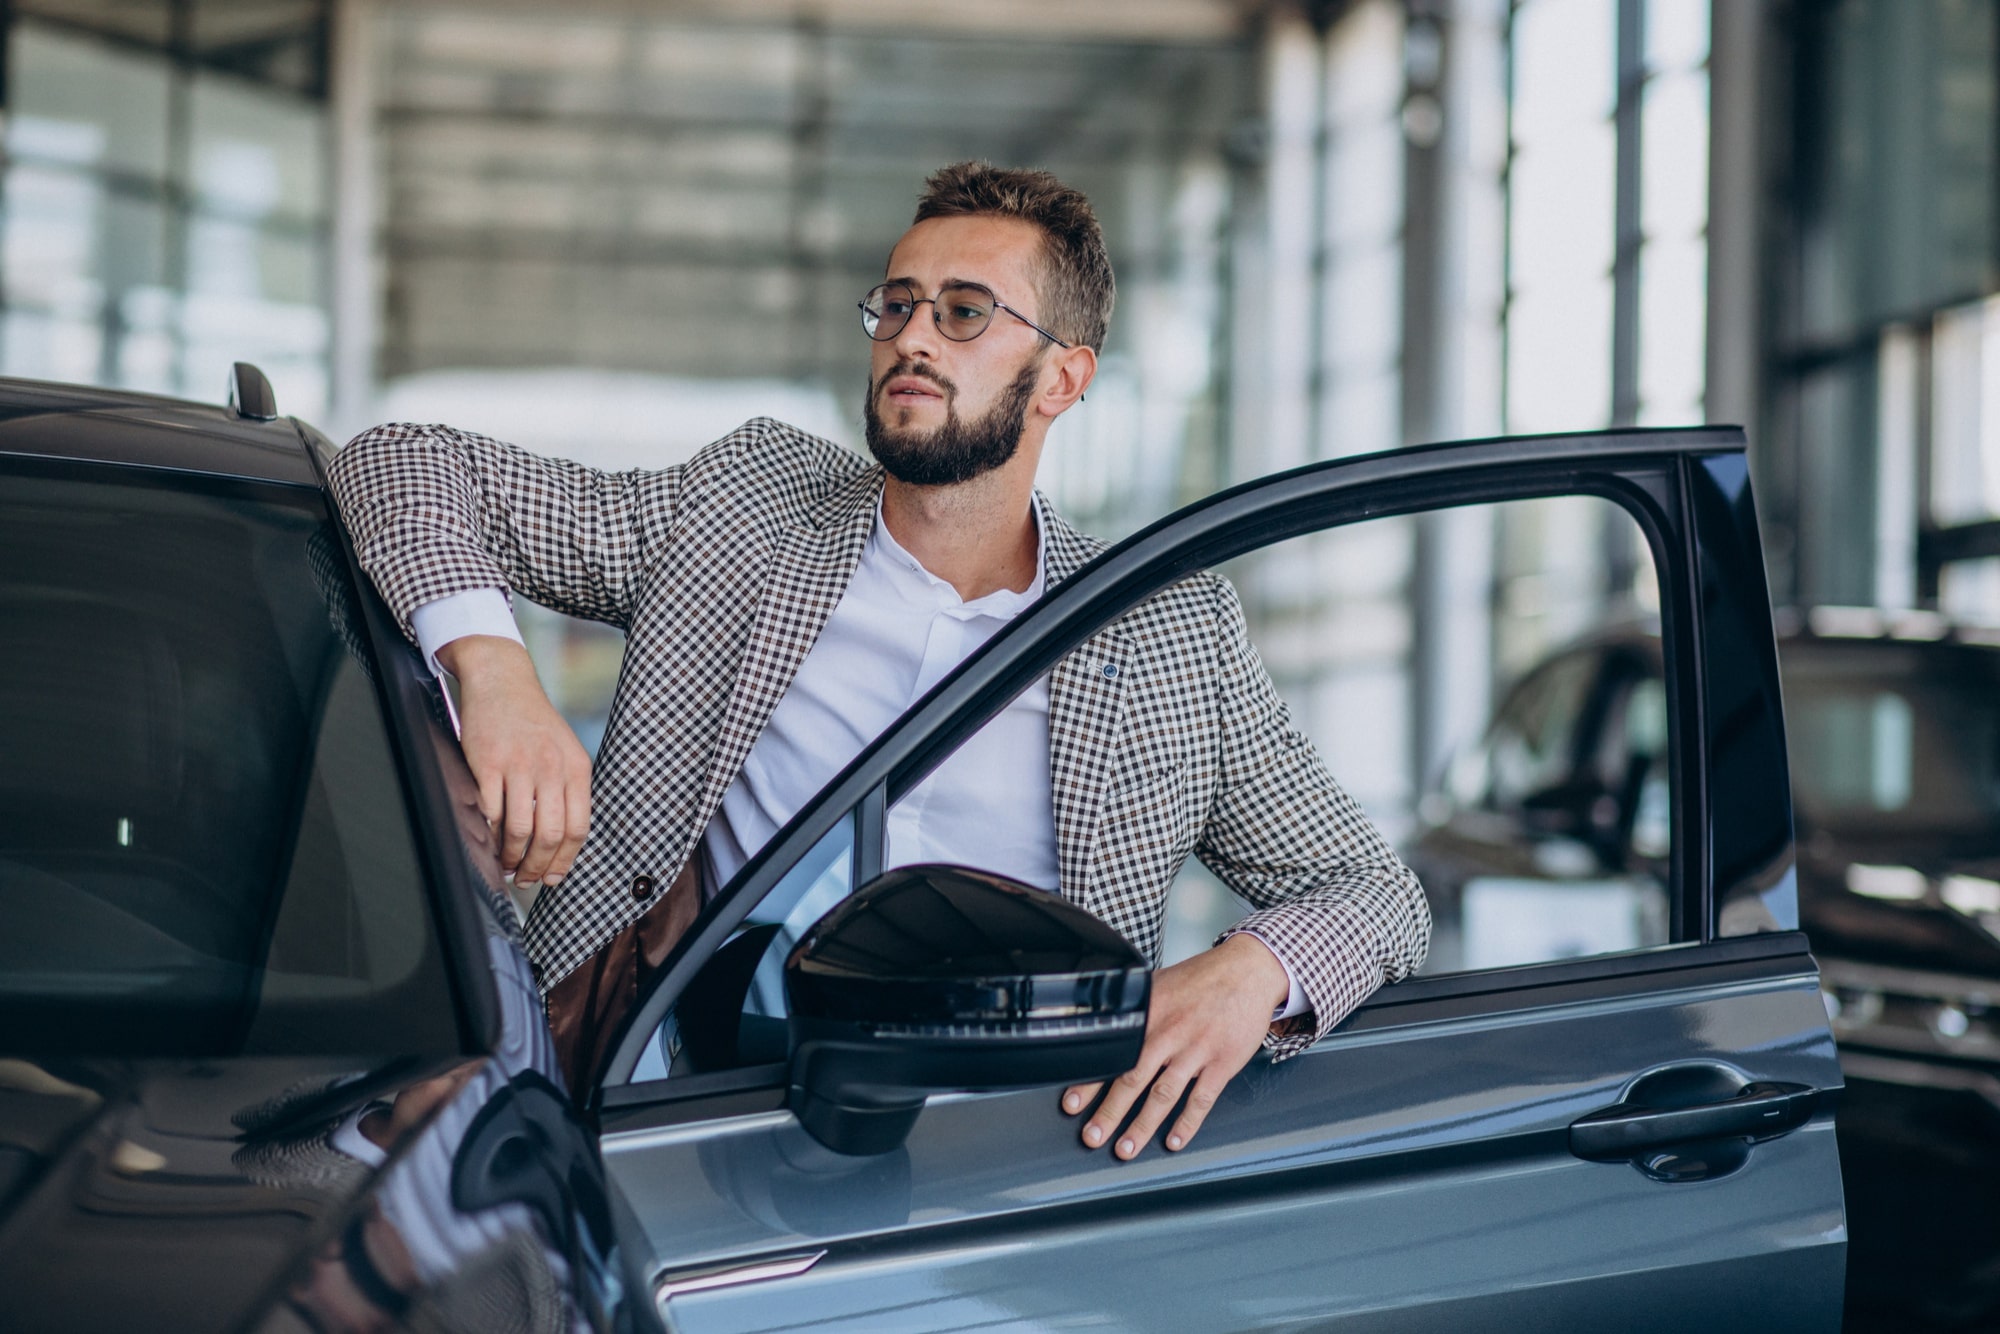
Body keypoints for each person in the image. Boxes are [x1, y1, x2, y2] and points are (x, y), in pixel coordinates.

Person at [330, 161, 1429, 1159]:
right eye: (897, 304)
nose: (913, 338)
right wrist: (494, 671)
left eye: (965, 313)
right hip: (669, 1113)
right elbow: (400, 462)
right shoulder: (748, 508)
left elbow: (1376, 893)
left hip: (1007, 1159)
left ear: (1061, 379)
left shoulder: (1166, 630)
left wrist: (1248, 975)